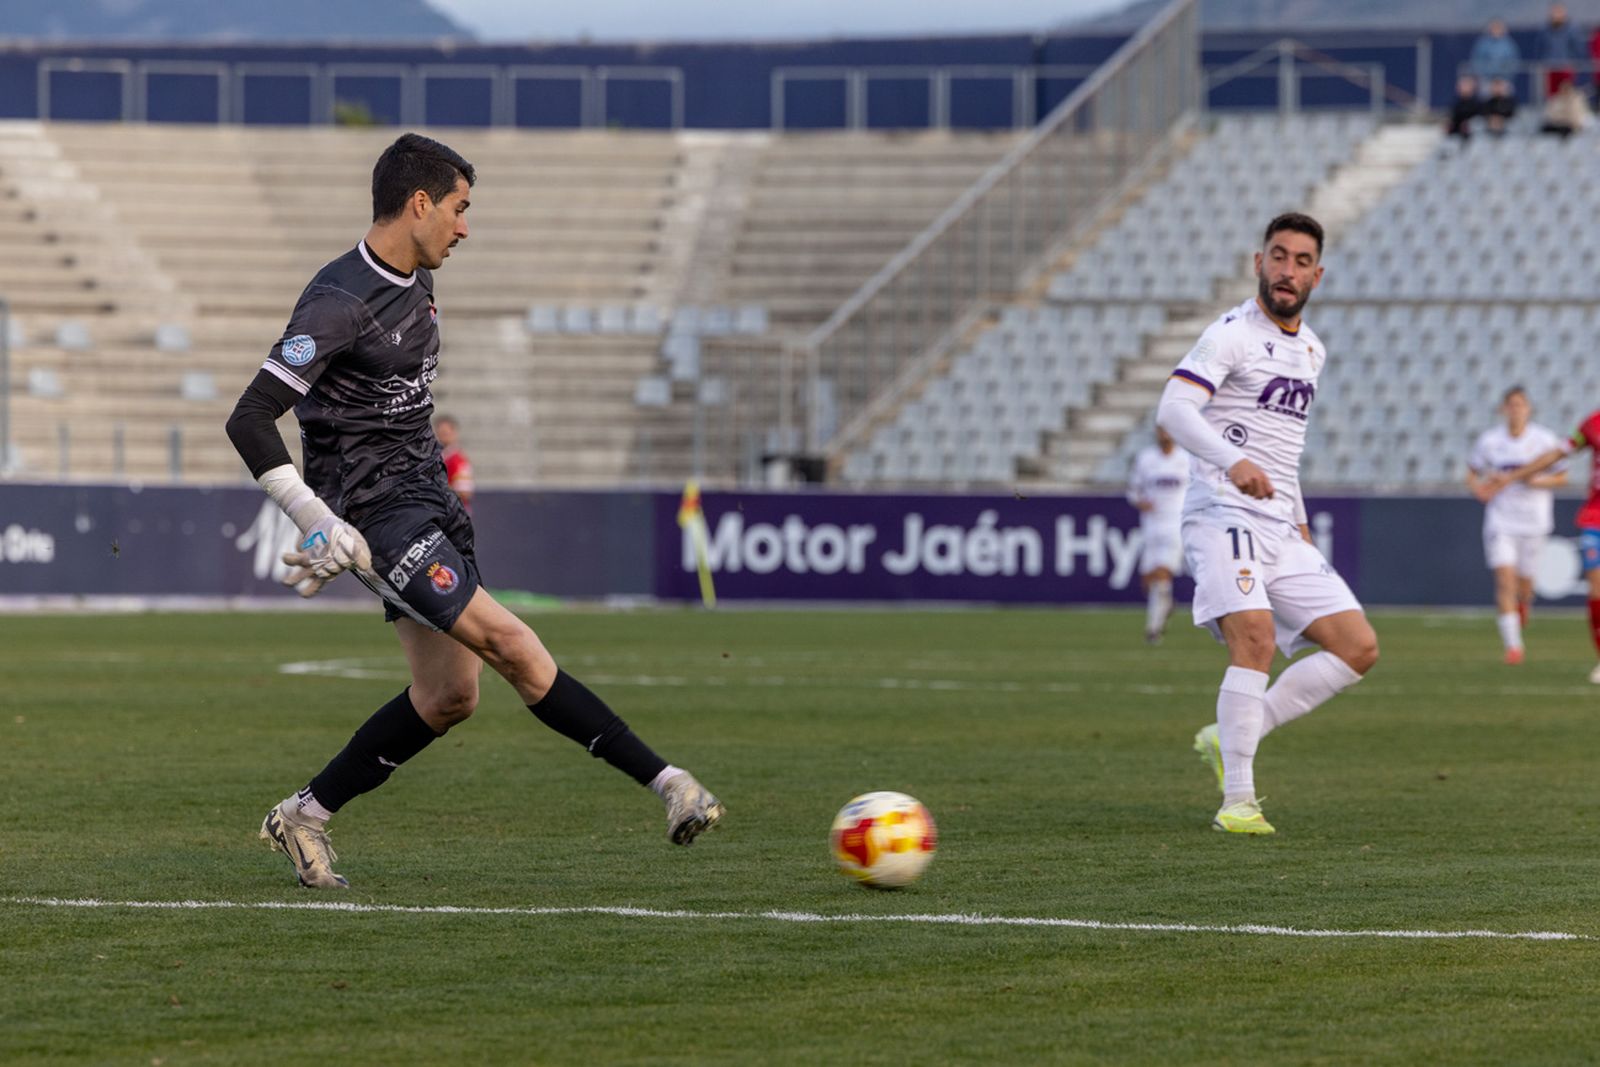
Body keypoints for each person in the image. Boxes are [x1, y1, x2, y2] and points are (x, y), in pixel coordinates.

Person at [224, 132, 724, 889]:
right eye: (458, 208)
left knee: (450, 696)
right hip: (381, 521)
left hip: (432, 501)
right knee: (514, 644)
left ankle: (305, 815)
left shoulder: (417, 281)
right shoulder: (337, 303)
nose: (466, 226)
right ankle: (670, 784)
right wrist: (314, 516)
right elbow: (250, 417)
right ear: (419, 203)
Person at [1156, 212, 1379, 836]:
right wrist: (1233, 461)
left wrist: (1300, 518)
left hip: (1280, 524)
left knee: (1358, 647)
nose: (1288, 270)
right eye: (1278, 256)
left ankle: (1226, 734)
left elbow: (1286, 448)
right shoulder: (1231, 334)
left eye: (1301, 261)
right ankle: (1238, 802)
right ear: (1258, 262)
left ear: (1318, 274)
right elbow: (1173, 408)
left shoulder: (1312, 349)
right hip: (1222, 510)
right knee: (1253, 638)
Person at [1485, 407, 1600, 684]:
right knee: (1597, 588)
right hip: (1595, 517)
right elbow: (1558, 453)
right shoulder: (1592, 423)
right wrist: (1513, 476)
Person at [1466, 387, 1568, 665]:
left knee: (1525, 584)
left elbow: (1562, 477)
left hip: (1534, 520)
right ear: (1503, 409)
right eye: (1511, 405)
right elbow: (1471, 471)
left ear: (1529, 409)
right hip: (1502, 520)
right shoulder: (1490, 441)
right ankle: (1513, 646)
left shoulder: (1544, 440)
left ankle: (1524, 604)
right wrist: (1479, 490)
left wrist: (1537, 481)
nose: (1516, 410)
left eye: (1520, 405)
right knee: (1504, 580)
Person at [1126, 425, 1189, 645]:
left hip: (1175, 524)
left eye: (1168, 430)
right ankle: (1167, 604)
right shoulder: (1146, 459)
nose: (1165, 434)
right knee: (1148, 579)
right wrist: (1139, 501)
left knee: (1162, 573)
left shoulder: (1186, 458)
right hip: (1151, 525)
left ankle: (1153, 628)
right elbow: (1133, 490)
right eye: (1161, 430)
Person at [1538, 4, 1585, 98]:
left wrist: (1574, 62)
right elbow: (1540, 47)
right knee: (1552, 96)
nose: (1557, 15)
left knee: (1568, 95)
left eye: (1559, 12)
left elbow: (1578, 47)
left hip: (1566, 67)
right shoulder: (1545, 30)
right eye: (1554, 12)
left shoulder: (1572, 29)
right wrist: (1543, 61)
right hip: (1550, 67)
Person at [433, 413, 475, 511]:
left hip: (454, 512)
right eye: (440, 433)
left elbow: (465, 492)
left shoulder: (458, 460)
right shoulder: (440, 457)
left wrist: (436, 489)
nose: (441, 437)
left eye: (445, 433)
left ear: (454, 433)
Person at [1470, 18, 1522, 90]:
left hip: (1504, 79)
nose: (1496, 30)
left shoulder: (1509, 44)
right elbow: (1477, 60)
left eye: (1498, 28)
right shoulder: (1483, 43)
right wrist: (1485, 75)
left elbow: (1514, 61)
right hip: (1486, 80)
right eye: (1494, 27)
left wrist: (1505, 76)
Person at [1447, 75, 1483, 140]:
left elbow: (1481, 121)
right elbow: (1452, 120)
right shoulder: (1455, 104)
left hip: (1475, 136)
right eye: (1462, 85)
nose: (1464, 88)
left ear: (1473, 87)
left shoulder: (1478, 103)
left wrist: (1469, 124)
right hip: (1457, 135)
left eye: (1466, 85)